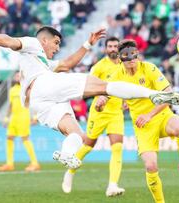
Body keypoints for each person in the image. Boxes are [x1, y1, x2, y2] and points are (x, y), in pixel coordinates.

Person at [0, 26, 179, 170]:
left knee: (77, 135)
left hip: (38, 103)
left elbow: (66, 64)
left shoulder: (42, 62)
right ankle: (154, 94)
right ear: (44, 40)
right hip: (44, 85)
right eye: (55, 43)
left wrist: (88, 44)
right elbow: (10, 41)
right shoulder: (33, 44)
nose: (56, 48)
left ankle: (66, 154)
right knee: (104, 87)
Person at [101, 40, 179, 202]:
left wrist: (149, 114)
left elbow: (169, 95)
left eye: (134, 54)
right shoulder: (117, 75)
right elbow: (106, 90)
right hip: (143, 126)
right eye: (126, 56)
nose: (131, 58)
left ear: (138, 54)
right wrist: (102, 99)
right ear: (121, 59)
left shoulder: (149, 68)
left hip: (160, 115)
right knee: (151, 166)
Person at [61, 37, 126, 197]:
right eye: (109, 46)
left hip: (116, 112)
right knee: (88, 145)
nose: (112, 49)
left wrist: (126, 101)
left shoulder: (124, 66)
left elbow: (125, 85)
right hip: (100, 112)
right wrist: (100, 96)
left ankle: (112, 185)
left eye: (115, 46)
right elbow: (88, 87)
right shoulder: (99, 67)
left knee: (117, 148)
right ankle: (70, 171)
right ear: (105, 49)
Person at [0, 71, 40, 172]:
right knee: (9, 137)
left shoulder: (27, 89)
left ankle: (35, 163)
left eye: (19, 75)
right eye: (16, 75)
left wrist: (35, 117)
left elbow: (33, 103)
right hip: (14, 118)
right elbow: (11, 105)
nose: (17, 77)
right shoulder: (12, 90)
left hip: (23, 117)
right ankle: (9, 164)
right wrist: (6, 118)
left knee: (25, 139)